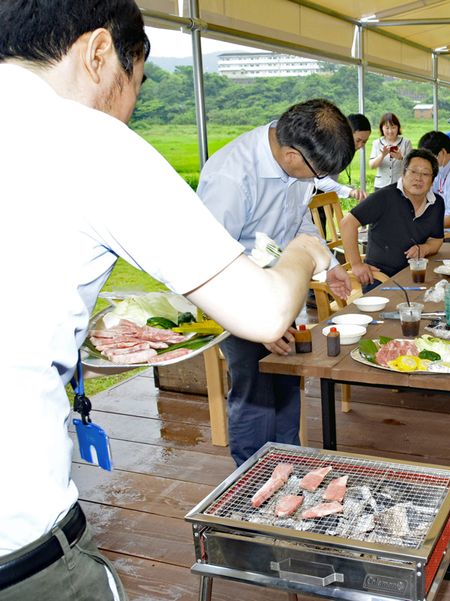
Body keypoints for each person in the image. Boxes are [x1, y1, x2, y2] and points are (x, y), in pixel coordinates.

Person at [0, 1, 336, 598]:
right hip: (17, 542)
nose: (130, 106)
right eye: (138, 83)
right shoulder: (86, 141)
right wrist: (309, 252)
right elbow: (259, 308)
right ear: (99, 52)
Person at [197, 99, 355, 466]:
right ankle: (251, 483)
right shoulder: (231, 176)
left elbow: (297, 220)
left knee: (286, 384)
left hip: (284, 294)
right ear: (290, 154)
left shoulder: (296, 167)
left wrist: (328, 264)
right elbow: (211, 262)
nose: (317, 182)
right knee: (254, 392)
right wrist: (259, 323)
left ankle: (290, 470)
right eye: (316, 173)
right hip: (238, 300)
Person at [340, 150, 445, 286]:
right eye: (413, 171)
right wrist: (356, 264)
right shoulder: (384, 197)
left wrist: (424, 248)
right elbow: (347, 223)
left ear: (432, 180)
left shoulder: (437, 203)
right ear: (403, 173)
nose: (418, 178)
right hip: (381, 277)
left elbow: (437, 239)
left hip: (416, 274)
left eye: (425, 174)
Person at [315, 112, 371, 202]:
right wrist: (350, 191)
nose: (360, 145)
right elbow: (319, 180)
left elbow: (331, 178)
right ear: (347, 133)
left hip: (324, 197)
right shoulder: (329, 147)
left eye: (364, 141)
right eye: (358, 140)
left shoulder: (345, 150)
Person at [369, 112, 411, 190]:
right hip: (381, 185)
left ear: (398, 127)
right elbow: (372, 165)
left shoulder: (406, 142)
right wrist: (382, 155)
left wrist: (401, 157)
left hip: (400, 184)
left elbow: (412, 165)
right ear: (382, 128)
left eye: (393, 127)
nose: (390, 131)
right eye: (387, 128)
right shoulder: (376, 143)